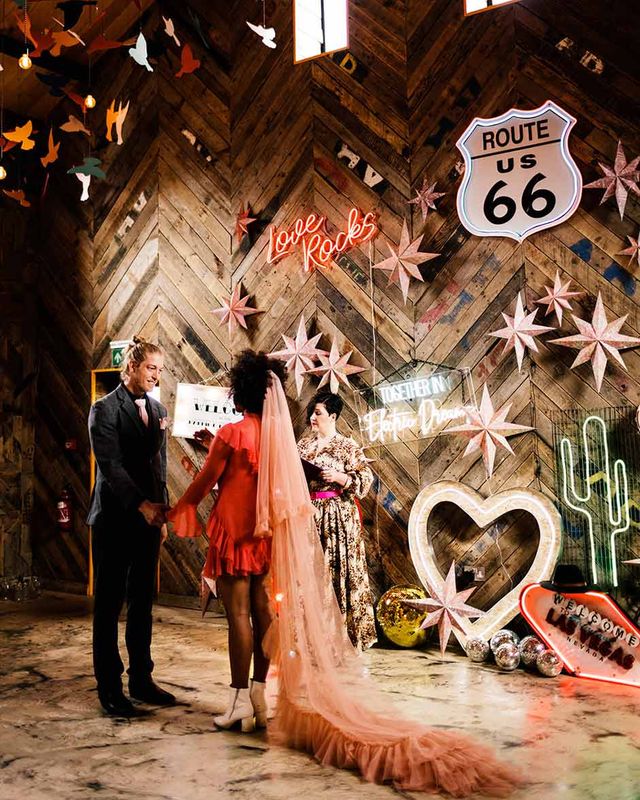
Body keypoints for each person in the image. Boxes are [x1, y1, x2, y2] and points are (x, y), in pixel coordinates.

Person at [168, 350, 287, 732]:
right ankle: (258, 697)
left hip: (234, 534)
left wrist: (178, 508)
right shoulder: (277, 437)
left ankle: (237, 703)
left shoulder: (231, 433)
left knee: (238, 617)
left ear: (241, 391)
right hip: (264, 533)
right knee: (264, 612)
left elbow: (206, 482)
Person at [87, 337, 175, 717]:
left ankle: (142, 678)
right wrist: (142, 505)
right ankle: (109, 687)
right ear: (133, 367)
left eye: (160, 369)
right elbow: (111, 467)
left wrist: (161, 516)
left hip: (149, 521)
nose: (156, 375)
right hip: (114, 518)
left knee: (142, 601)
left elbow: (159, 467)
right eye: (151, 368)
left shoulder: (159, 410)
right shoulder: (104, 409)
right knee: (109, 604)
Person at [297, 391, 377, 650]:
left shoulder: (347, 446)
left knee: (337, 571)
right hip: (309, 513)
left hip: (337, 516)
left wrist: (340, 477)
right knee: (310, 573)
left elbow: (365, 479)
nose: (312, 417)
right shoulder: (303, 445)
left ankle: (339, 636)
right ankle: (310, 634)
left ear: (332, 416)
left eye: (318, 413)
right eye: (312, 412)